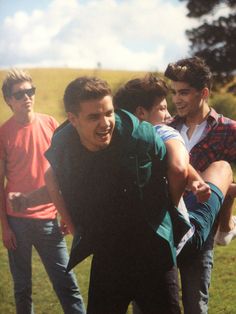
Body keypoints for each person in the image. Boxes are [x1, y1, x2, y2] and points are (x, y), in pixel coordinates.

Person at [43, 75, 195, 314]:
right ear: (73, 119)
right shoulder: (63, 147)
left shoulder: (140, 135)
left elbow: (174, 168)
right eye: (94, 117)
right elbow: (51, 177)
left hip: (152, 249)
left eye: (109, 113)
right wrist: (73, 226)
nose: (105, 123)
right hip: (108, 252)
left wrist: (171, 209)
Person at [113, 73, 235, 314]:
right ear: (141, 112)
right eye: (162, 107)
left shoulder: (115, 142)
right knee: (222, 168)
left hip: (140, 239)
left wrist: (195, 181)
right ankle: (227, 226)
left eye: (182, 92)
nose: (169, 113)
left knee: (149, 303)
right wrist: (176, 203)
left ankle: (226, 225)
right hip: (181, 231)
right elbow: (179, 166)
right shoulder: (164, 130)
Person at [0, 69, 85, 314]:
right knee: (22, 288)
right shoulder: (3, 133)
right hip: (17, 223)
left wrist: (65, 213)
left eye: (30, 91)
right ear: (8, 100)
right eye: (19, 94)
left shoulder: (50, 123)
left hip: (50, 219)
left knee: (67, 284)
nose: (26, 97)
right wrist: (5, 227)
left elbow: (65, 173)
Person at [164, 57, 236, 314]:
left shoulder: (229, 130)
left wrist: (228, 187)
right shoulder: (166, 128)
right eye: (174, 93)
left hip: (202, 231)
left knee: (196, 305)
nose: (177, 99)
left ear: (203, 93)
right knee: (161, 302)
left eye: (184, 92)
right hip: (168, 226)